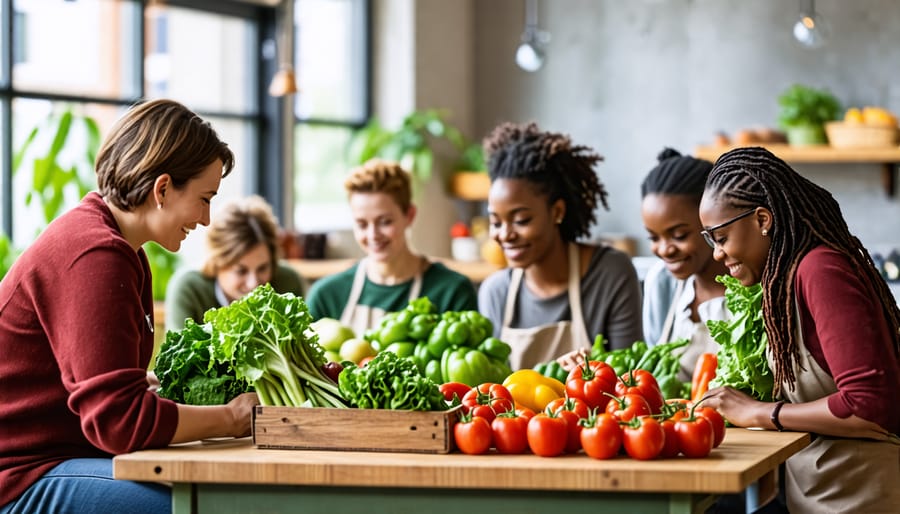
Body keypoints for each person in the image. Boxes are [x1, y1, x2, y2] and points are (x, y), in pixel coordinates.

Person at [0, 99, 259, 514]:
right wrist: (231, 417)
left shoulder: (121, 248)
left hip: (59, 457)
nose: (207, 219)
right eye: (204, 198)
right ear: (162, 189)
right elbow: (119, 421)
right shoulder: (95, 254)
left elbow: (109, 392)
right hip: (20, 476)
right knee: (208, 505)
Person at [698, 146, 900, 513]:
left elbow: (870, 405)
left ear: (762, 219)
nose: (715, 253)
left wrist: (760, 412)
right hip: (817, 492)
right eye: (709, 239)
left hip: (860, 498)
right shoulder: (785, 277)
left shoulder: (820, 270)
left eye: (720, 237)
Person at [477, 122, 643, 370]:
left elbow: (632, 383)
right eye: (496, 222)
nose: (505, 235)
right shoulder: (495, 293)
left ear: (557, 211)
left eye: (521, 220)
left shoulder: (610, 274)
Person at [305, 158, 477, 335]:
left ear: (409, 216)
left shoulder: (451, 292)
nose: (373, 235)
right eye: (362, 224)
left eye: (385, 222)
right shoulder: (327, 295)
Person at [640, 148, 730, 381]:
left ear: (713, 221)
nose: (664, 250)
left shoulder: (753, 284)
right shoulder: (661, 281)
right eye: (653, 237)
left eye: (679, 236)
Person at [164, 194, 306, 332]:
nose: (254, 284)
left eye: (262, 268)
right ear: (217, 262)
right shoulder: (190, 289)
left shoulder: (289, 283)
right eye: (241, 271)